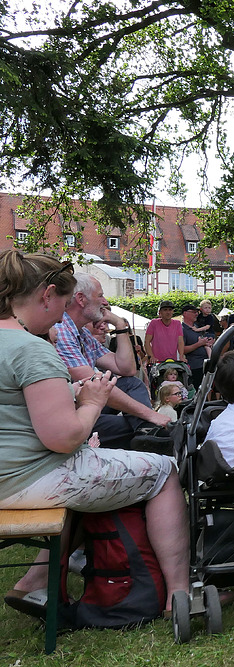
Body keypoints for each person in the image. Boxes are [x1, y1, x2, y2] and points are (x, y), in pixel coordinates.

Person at [0, 250, 188, 615]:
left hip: (8, 474)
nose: (61, 316)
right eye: (63, 303)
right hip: (27, 481)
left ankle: (36, 581)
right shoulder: (32, 349)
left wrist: (71, 393)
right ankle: (178, 595)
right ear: (47, 295)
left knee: (97, 466)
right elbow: (65, 438)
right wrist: (93, 402)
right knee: (166, 471)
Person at [53, 274, 170, 448]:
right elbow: (95, 383)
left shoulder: (82, 334)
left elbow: (127, 369)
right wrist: (150, 415)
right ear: (81, 299)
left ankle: (147, 433)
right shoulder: (61, 331)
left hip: (86, 405)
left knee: (132, 384)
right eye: (100, 295)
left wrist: (120, 325)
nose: (105, 301)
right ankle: (149, 438)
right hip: (68, 418)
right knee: (138, 427)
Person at [144, 300, 186, 365]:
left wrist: (181, 356)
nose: (168, 312)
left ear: (173, 312)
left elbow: (180, 341)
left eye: (170, 310)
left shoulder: (177, 323)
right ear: (160, 312)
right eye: (165, 310)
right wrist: (151, 356)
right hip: (156, 361)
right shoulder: (154, 323)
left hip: (172, 361)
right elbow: (147, 341)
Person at [181, 304, 211, 388]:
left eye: (197, 312)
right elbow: (182, 349)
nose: (197, 314)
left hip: (204, 365)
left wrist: (207, 342)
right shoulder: (182, 329)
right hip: (194, 367)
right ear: (185, 313)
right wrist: (199, 344)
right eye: (194, 312)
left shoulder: (197, 327)